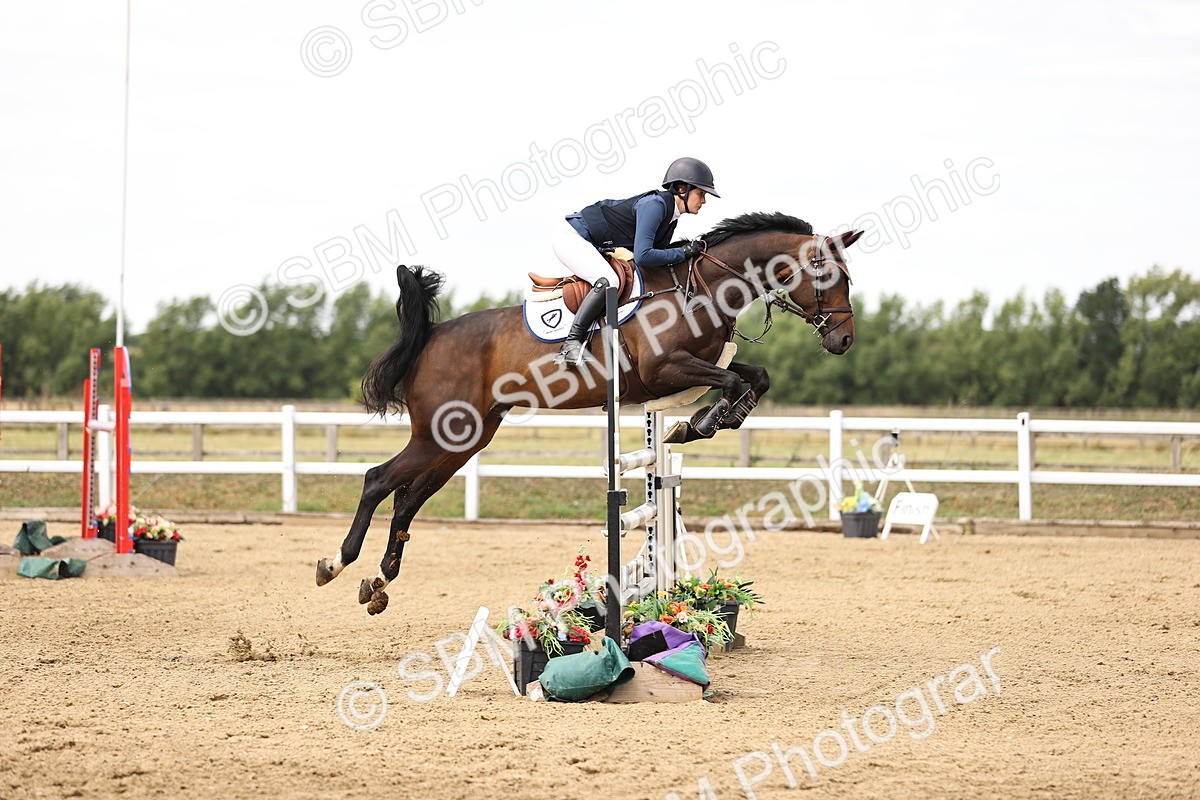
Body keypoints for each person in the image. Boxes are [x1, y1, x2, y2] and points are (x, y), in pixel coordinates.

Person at [552, 156, 720, 367]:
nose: (704, 200)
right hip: (572, 237)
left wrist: (687, 251)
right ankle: (571, 343)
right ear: (681, 189)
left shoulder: (671, 216)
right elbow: (644, 256)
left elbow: (657, 253)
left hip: (592, 242)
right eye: (701, 194)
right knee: (608, 281)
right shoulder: (656, 205)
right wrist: (683, 252)